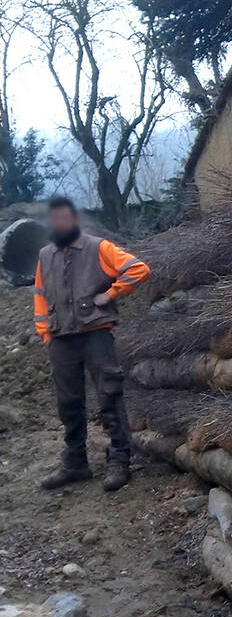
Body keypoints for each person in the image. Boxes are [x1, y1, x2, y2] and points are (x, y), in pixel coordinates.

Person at [32, 196, 151, 493]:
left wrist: (110, 294)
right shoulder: (45, 255)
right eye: (55, 219)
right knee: (68, 402)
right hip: (61, 337)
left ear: (74, 220)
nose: (59, 224)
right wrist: (45, 333)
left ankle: (120, 459)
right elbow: (39, 296)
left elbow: (138, 269)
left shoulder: (99, 248)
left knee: (109, 394)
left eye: (64, 218)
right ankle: (75, 462)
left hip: (96, 332)